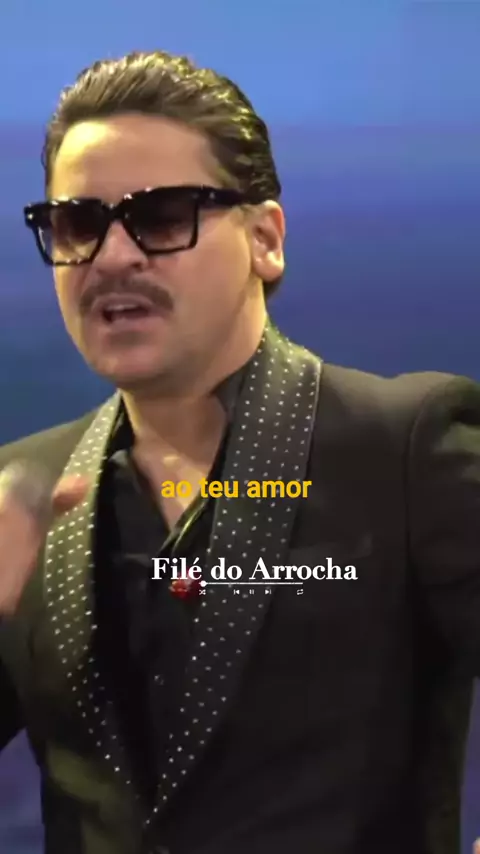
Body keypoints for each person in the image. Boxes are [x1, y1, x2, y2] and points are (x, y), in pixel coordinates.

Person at [0, 49, 479, 854]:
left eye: (161, 216)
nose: (113, 257)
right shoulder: (24, 492)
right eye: (80, 225)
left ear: (265, 239)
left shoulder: (402, 448)